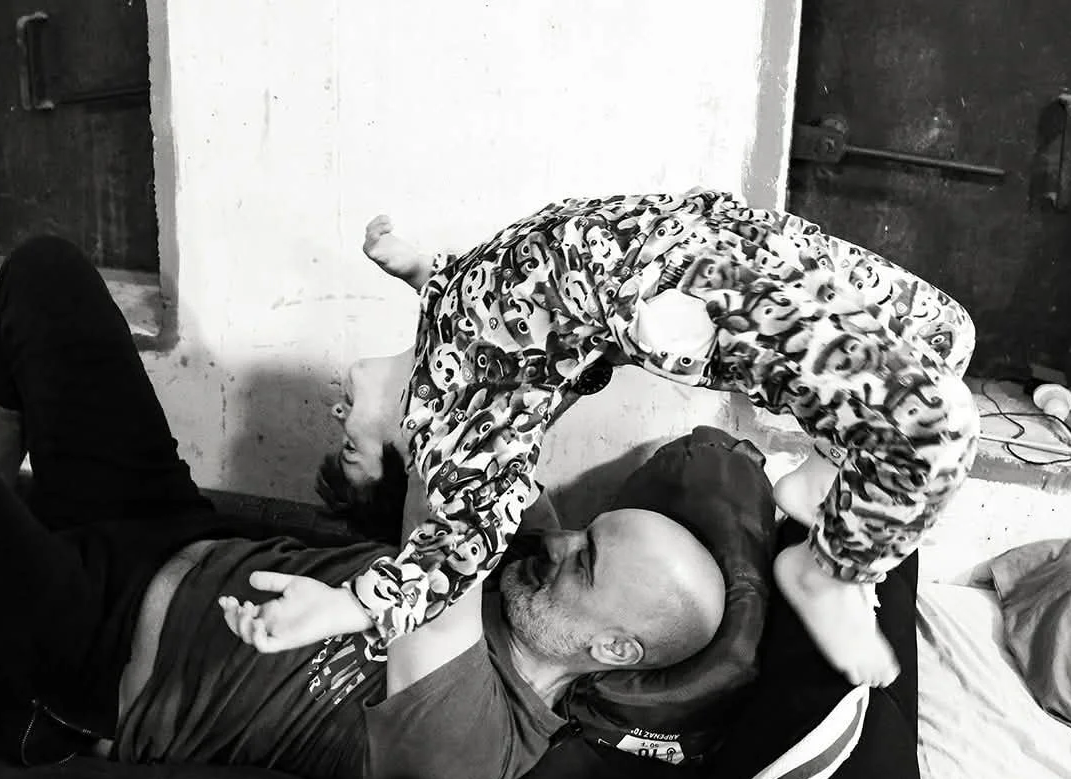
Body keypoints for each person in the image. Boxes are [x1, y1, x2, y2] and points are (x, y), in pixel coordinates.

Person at [0, 237, 727, 779]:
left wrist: (411, 372)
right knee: (45, 276)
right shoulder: (524, 569)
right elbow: (504, 432)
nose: (561, 539)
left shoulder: (476, 742)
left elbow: (449, 475)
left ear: (614, 648)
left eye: (587, 561)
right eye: (588, 529)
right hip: (170, 530)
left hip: (79, 656)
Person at [243, 188, 979, 690]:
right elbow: (450, 553)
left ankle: (826, 476)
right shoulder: (460, 440)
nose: (338, 414)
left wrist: (418, 268)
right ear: (412, 451)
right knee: (935, 427)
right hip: (674, 288)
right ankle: (829, 572)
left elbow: (491, 298)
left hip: (711, 231)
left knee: (944, 333)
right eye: (354, 450)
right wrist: (354, 606)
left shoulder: (443, 331)